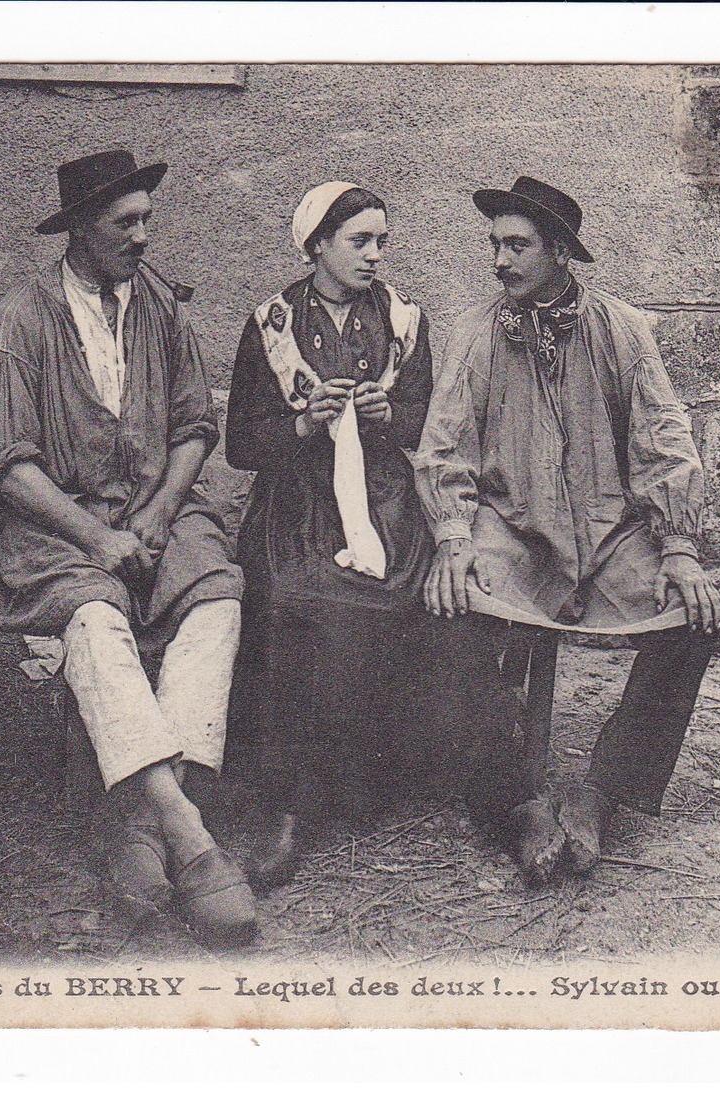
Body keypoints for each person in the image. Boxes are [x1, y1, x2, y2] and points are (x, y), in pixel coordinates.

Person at [0, 149, 256, 946]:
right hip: (55, 524)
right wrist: (98, 536)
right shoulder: (20, 320)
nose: (143, 236)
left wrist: (157, 514)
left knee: (216, 599)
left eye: (147, 219)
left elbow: (196, 426)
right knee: (94, 618)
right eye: (125, 223)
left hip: (153, 511)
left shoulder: (159, 307)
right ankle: (186, 830)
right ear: (81, 231)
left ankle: (134, 828)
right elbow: (5, 468)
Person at [414, 176, 720, 886]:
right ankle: (513, 801)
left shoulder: (621, 330)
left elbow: (663, 438)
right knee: (451, 610)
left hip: (608, 537)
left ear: (558, 252)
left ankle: (601, 790)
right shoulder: (474, 333)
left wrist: (677, 547)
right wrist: (454, 538)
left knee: (696, 616)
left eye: (516, 245)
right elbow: (443, 447)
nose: (499, 260)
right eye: (494, 244)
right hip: (512, 533)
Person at [226, 182, 435, 891]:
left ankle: (367, 779)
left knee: (410, 587)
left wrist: (387, 416)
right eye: (359, 242)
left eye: (381, 241)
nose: (375, 256)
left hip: (381, 497)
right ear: (316, 245)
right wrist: (303, 425)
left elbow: (426, 427)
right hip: (298, 498)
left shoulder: (404, 322)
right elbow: (241, 446)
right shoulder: (272, 325)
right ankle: (289, 803)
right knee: (291, 598)